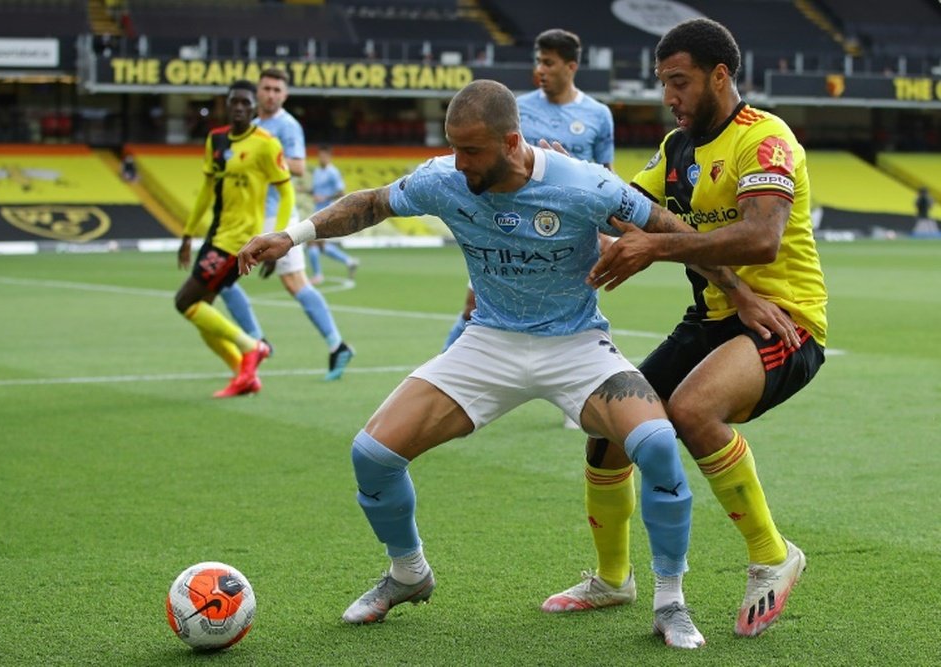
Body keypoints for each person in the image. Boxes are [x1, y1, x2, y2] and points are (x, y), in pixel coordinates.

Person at [240, 79, 795, 650]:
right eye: (453, 147)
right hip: (488, 344)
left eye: (472, 150)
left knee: (655, 444)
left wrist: (741, 294)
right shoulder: (444, 179)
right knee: (373, 456)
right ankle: (408, 573)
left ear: (511, 142)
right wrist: (293, 234)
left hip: (576, 345)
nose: (460, 162)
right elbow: (373, 203)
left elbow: (666, 227)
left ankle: (669, 600)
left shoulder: (584, 184)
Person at [541, 18, 827, 640]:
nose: (668, 96)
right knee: (612, 423)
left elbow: (762, 236)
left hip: (785, 321)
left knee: (692, 410)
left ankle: (773, 556)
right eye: (662, 83)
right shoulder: (676, 150)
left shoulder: (765, 137)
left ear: (719, 76)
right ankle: (613, 579)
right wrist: (569, 178)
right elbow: (625, 211)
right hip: (717, 317)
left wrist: (657, 250)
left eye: (679, 82)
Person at [441, 29, 614, 364]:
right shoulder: (518, 108)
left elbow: (603, 176)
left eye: (549, 63)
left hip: (570, 230)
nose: (541, 70)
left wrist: (604, 230)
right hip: (511, 226)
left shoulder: (598, 115)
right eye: (538, 62)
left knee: (577, 305)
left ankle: (589, 379)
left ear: (571, 66)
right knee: (473, 305)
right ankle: (442, 368)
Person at [219, 68, 354, 381]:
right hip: (250, 213)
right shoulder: (251, 125)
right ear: (258, 90)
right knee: (224, 278)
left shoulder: (287, 126)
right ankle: (259, 341)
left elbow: (297, 166)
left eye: (277, 90)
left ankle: (335, 345)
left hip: (277, 214)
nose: (270, 94)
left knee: (294, 282)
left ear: (285, 95)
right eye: (266, 88)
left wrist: (263, 155)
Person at [176, 79, 293, 398]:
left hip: (238, 242)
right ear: (227, 106)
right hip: (216, 235)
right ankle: (245, 374)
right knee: (202, 311)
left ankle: (251, 348)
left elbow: (286, 192)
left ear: (253, 108)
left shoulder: (266, 143)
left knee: (184, 302)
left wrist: (279, 239)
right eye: (234, 102)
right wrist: (188, 232)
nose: (239, 108)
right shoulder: (216, 140)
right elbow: (205, 190)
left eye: (245, 103)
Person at [307, 144, 359, 285]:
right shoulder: (317, 171)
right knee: (321, 246)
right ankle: (349, 261)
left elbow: (340, 192)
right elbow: (317, 191)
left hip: (328, 212)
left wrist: (325, 198)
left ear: (329, 157)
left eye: (324, 156)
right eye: (319, 155)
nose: (321, 158)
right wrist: (307, 191)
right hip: (317, 211)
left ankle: (318, 275)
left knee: (312, 243)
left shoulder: (333, 172)